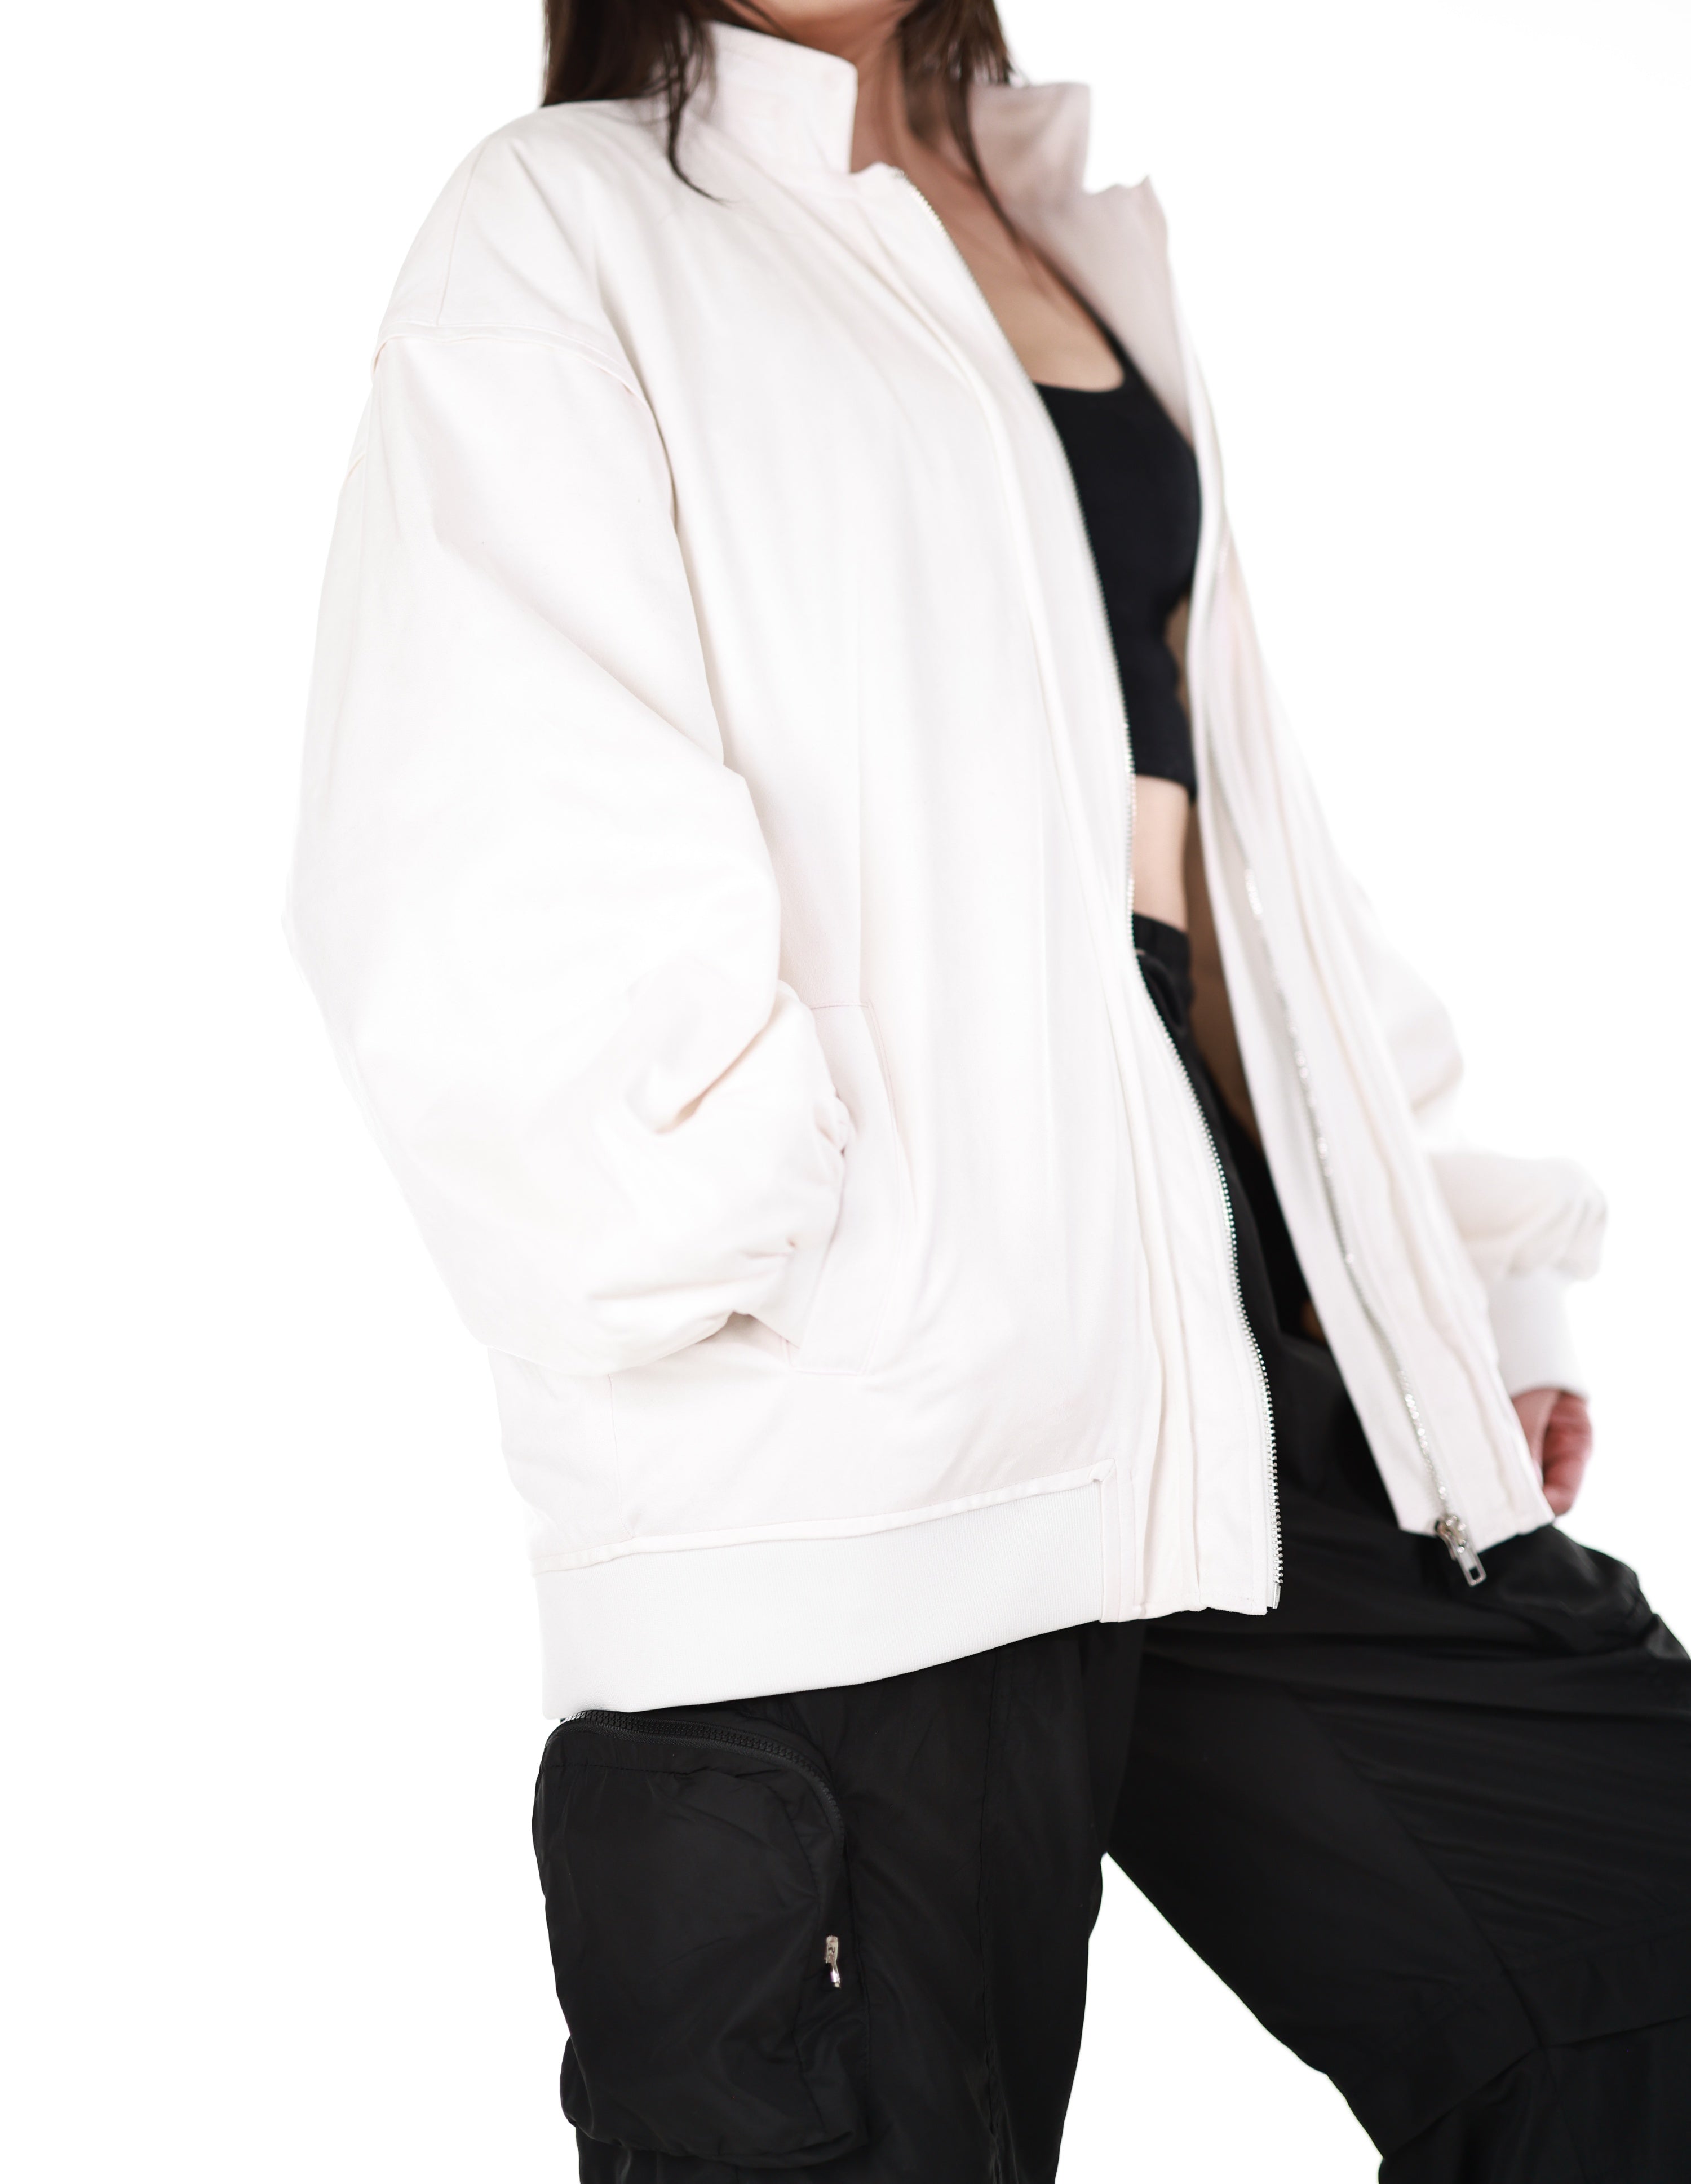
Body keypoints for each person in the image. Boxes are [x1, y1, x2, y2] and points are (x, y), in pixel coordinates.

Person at [287, 3, 1691, 2178]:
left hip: (1216, 1352)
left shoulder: (1056, 218)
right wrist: (832, 1272)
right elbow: (485, 843)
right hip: (851, 1432)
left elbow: (1226, 843)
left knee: (1634, 1954)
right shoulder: (569, 222)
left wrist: (1435, 1269)